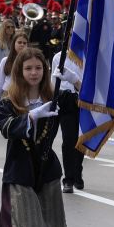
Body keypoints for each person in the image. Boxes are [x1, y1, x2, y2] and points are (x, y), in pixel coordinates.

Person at [0, 47, 67, 227]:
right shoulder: (8, 103)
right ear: (19, 72)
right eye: (29, 68)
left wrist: (72, 79)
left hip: (47, 173)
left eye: (39, 68)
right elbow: (6, 128)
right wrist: (31, 117)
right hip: (20, 175)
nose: (34, 72)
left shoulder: (55, 99)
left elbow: (86, 106)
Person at [50, 50, 84, 193]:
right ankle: (68, 179)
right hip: (65, 100)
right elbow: (53, 82)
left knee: (81, 139)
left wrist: (75, 80)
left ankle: (77, 172)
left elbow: (87, 87)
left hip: (82, 100)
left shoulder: (87, 57)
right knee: (69, 140)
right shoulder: (59, 57)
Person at [0, 29, 29, 109]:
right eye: (19, 42)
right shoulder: (5, 61)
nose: (22, 45)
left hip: (24, 98)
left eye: (24, 43)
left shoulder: (30, 62)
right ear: (14, 44)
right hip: (7, 96)